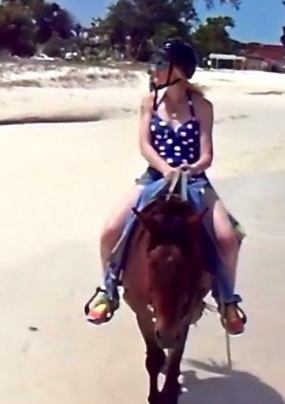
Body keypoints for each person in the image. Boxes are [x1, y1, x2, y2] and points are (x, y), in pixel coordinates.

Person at [84, 39, 248, 336]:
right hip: (154, 177)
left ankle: (227, 300)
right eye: (155, 64)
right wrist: (165, 169)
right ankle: (107, 290)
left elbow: (207, 154)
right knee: (111, 230)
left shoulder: (201, 106)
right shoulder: (150, 102)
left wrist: (192, 169)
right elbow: (145, 145)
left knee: (227, 238)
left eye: (161, 64)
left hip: (195, 180)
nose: (154, 70)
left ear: (179, 71)